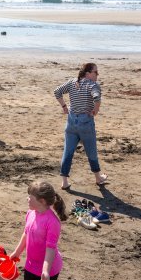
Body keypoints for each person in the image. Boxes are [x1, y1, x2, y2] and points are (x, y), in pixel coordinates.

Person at [10, 181, 66, 280]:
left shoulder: (52, 222)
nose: (27, 199)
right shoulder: (30, 213)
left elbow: (50, 248)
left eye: (30, 197)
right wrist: (16, 252)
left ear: (41, 201)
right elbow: (26, 234)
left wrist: (46, 271)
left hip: (49, 268)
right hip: (31, 264)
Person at [54, 62, 109, 190]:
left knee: (68, 152)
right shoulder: (92, 85)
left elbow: (57, 92)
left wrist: (64, 106)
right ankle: (98, 178)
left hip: (71, 122)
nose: (97, 74)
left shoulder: (72, 82)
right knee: (91, 151)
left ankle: (64, 182)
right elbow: (97, 98)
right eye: (95, 72)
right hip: (85, 123)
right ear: (88, 73)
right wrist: (96, 110)